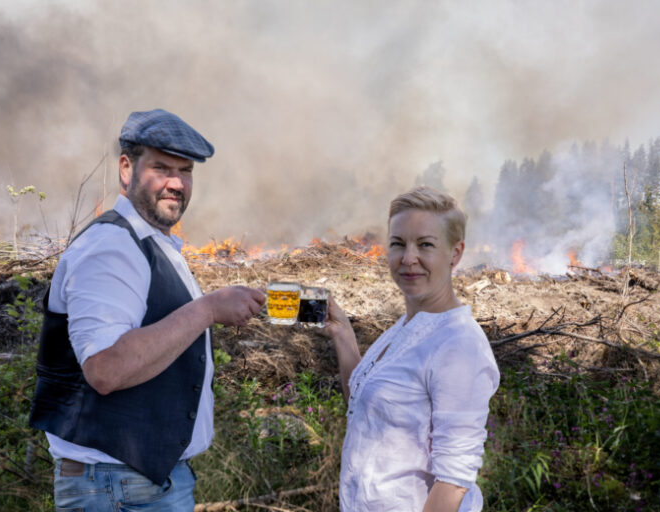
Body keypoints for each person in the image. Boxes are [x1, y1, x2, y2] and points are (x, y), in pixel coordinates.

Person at [29, 108, 266, 511]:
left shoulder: (150, 244)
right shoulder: (111, 247)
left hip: (137, 486)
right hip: (115, 489)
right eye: (161, 168)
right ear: (126, 169)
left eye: (185, 171)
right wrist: (208, 310)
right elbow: (104, 368)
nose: (176, 183)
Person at [325, 186, 499, 512]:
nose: (408, 259)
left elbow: (453, 481)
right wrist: (343, 334)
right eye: (397, 244)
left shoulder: (458, 345)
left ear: (455, 254)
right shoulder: (407, 327)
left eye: (425, 245)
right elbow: (366, 404)